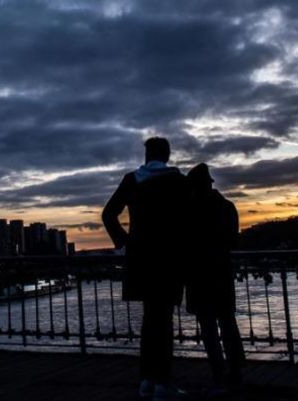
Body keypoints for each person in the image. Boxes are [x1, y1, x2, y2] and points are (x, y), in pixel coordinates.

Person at [103, 137, 189, 399]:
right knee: (163, 321)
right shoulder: (178, 181)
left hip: (140, 259)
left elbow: (108, 214)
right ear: (167, 155)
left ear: (146, 155)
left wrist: (125, 242)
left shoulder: (131, 179)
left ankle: (146, 381)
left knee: (149, 321)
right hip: (168, 258)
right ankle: (163, 383)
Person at [184, 163, 244, 393]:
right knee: (228, 322)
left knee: (208, 328)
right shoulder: (228, 207)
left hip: (197, 275)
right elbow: (233, 241)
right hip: (221, 272)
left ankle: (218, 372)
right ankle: (236, 370)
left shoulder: (188, 210)